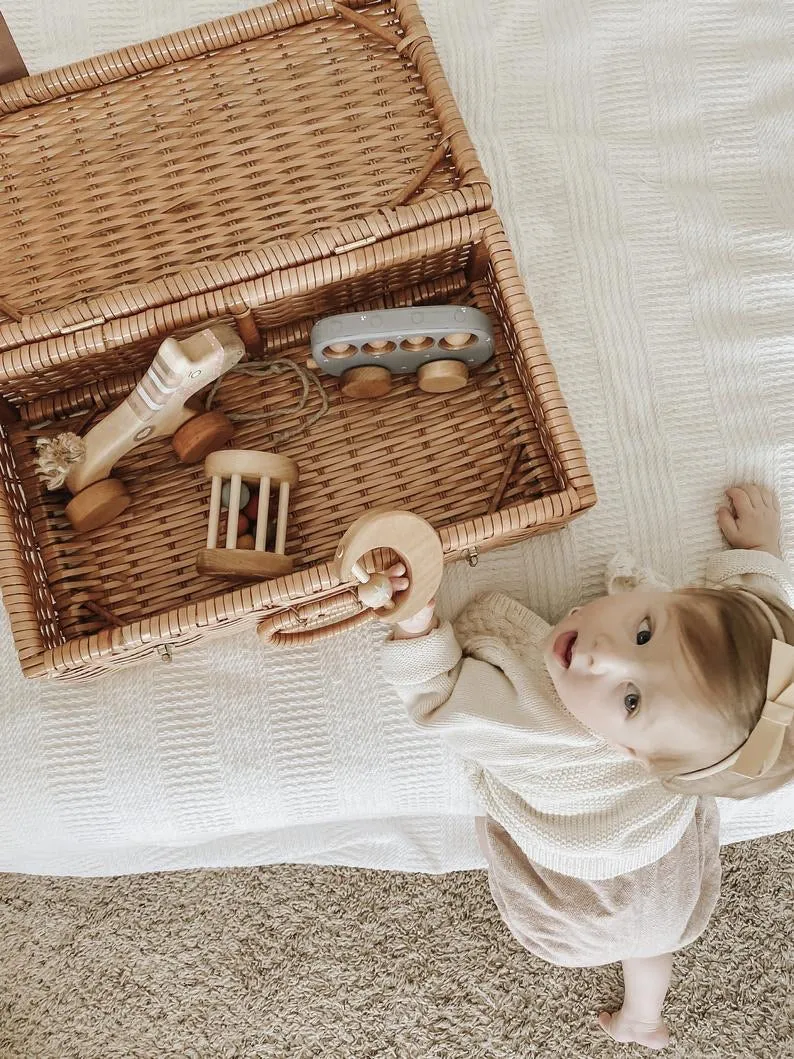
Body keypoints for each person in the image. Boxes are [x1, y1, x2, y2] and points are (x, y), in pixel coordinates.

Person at [380, 484, 794, 1050]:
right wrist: (759, 557)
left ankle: (642, 1015)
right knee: (650, 946)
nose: (603, 655)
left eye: (630, 701)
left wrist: (416, 626)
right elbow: (752, 645)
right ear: (680, 595)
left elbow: (439, 697)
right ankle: (643, 1019)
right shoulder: (687, 715)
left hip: (567, 882)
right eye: (644, 632)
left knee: (514, 826)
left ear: (636, 757)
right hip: (662, 882)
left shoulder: (527, 725)